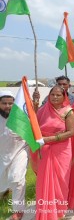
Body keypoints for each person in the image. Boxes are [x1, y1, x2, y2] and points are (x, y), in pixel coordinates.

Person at [33, 86, 74, 219]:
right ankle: (45, 211)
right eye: (52, 94)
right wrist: (35, 103)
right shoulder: (43, 109)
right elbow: (34, 122)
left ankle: (58, 211)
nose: (55, 97)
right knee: (44, 180)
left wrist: (50, 139)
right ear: (49, 96)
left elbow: (71, 132)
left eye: (58, 95)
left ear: (64, 97)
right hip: (45, 150)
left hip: (61, 150)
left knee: (61, 181)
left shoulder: (68, 111)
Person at [0, 91, 28, 220]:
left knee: (17, 178)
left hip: (19, 152)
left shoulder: (21, 116)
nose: (7, 106)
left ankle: (18, 211)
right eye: (4, 103)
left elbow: (30, 133)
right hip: (2, 154)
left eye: (10, 103)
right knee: (4, 183)